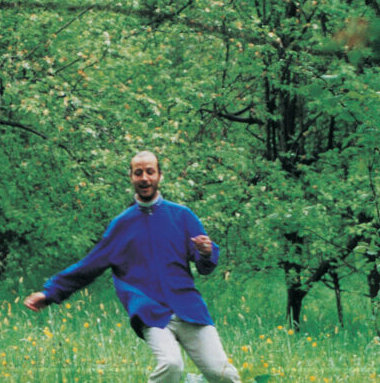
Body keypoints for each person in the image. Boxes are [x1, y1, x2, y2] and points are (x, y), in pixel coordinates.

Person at [24, 151, 241, 383]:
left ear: (159, 176)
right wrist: (50, 293)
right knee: (171, 365)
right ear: (131, 177)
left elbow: (205, 266)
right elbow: (89, 266)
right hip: (151, 313)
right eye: (138, 173)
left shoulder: (182, 216)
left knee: (224, 375)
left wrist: (206, 252)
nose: (145, 178)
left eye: (150, 172)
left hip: (189, 309)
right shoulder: (121, 226)